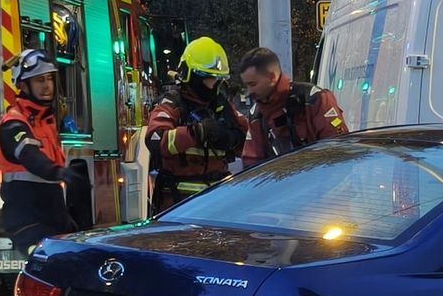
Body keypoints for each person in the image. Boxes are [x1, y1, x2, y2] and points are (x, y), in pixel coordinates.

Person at [0, 49, 87, 254]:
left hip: (53, 219)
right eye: (38, 80)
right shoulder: (14, 123)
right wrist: (57, 172)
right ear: (22, 85)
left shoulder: (45, 120)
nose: (47, 85)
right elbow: (30, 156)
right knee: (40, 273)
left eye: (49, 78)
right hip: (27, 223)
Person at [145, 36, 246, 214]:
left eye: (218, 80)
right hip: (178, 208)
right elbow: (156, 140)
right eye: (209, 79)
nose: (214, 86)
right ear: (192, 76)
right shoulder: (172, 104)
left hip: (218, 205)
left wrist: (232, 138)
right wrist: (197, 132)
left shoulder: (221, 105)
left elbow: (248, 138)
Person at [237, 47, 349, 166]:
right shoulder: (257, 115)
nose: (249, 91)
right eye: (247, 85)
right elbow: (251, 164)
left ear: (271, 78)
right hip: (280, 183)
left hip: (320, 180)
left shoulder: (314, 99)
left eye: (253, 84)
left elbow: (338, 152)